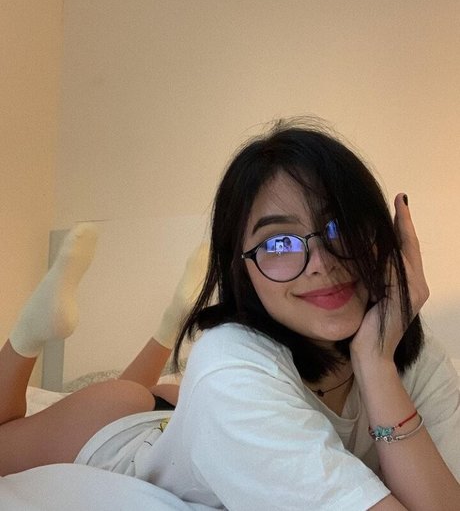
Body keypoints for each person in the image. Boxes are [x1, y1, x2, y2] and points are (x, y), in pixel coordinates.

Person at [0, 119, 459, 510]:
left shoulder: (405, 344)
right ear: (242, 270)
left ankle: (169, 327)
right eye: (280, 241)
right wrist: (377, 365)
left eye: (340, 226)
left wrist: (377, 363)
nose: (320, 262)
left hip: (181, 413)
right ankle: (27, 336)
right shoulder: (228, 368)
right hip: (118, 432)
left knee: (164, 391)